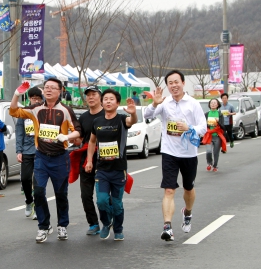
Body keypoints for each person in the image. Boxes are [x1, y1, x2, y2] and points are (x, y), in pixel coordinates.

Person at [10, 78, 81, 243]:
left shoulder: (65, 110)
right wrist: (16, 95)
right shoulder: (36, 108)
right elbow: (14, 111)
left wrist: (67, 136)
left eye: (52, 88)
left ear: (60, 91)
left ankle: (62, 225)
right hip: (41, 157)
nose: (48, 90)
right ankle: (44, 226)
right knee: (39, 192)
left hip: (60, 158)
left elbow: (78, 131)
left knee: (61, 194)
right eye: (46, 87)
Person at [144, 70, 206, 242]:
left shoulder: (193, 104)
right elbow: (147, 115)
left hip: (189, 153)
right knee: (169, 189)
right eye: (170, 83)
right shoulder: (164, 103)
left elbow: (203, 127)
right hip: (169, 152)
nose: (173, 85)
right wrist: (154, 104)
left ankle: (187, 212)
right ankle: (167, 226)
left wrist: (189, 128)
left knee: (188, 188)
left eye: (176, 82)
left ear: (183, 83)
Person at [85, 89, 137, 241]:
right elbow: (92, 141)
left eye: (111, 99)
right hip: (101, 169)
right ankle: (106, 223)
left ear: (117, 103)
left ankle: (119, 228)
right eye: (105, 99)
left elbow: (132, 121)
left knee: (116, 203)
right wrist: (89, 160)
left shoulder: (122, 119)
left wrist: (133, 113)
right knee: (101, 200)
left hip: (118, 169)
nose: (108, 101)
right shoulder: (97, 121)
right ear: (102, 102)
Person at [76, 85, 105, 235]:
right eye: (88, 95)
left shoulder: (108, 114)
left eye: (94, 94)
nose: (91, 97)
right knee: (86, 195)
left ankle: (107, 221)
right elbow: (80, 139)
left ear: (100, 97)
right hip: (87, 159)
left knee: (103, 197)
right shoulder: (84, 117)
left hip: (106, 160)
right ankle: (93, 224)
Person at [15, 87, 43, 220]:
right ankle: (28, 201)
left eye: (38, 98)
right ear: (29, 98)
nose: (35, 101)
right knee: (25, 178)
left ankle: (38, 207)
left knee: (38, 182)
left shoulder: (44, 112)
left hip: (41, 151)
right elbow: (19, 133)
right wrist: (19, 151)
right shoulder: (24, 112)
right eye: (33, 98)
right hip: (26, 150)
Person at [203, 98, 226, 172]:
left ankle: (215, 165)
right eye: (211, 103)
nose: (213, 104)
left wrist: (218, 123)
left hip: (217, 136)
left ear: (217, 104)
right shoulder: (206, 114)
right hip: (209, 135)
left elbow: (223, 127)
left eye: (214, 103)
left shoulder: (220, 114)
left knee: (216, 152)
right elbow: (203, 125)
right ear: (209, 105)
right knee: (208, 151)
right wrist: (208, 124)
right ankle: (209, 163)